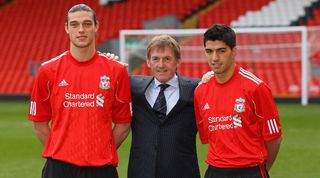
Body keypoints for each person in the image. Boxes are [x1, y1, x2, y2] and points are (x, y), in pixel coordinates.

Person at [28, 4, 131, 178]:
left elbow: (123, 125)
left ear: (96, 26)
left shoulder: (116, 71)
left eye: (87, 24)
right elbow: (39, 124)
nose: (81, 30)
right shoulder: (47, 71)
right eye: (74, 24)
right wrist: (62, 151)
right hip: (59, 168)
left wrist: (101, 150)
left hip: (101, 168)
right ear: (67, 28)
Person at [194, 24, 282, 178]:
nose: (214, 58)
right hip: (214, 171)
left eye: (221, 51)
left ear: (234, 51)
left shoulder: (256, 88)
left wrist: (261, 169)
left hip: (250, 170)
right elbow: (210, 138)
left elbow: (274, 138)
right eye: (209, 51)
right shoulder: (200, 91)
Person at [128, 35, 201, 178]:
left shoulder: (196, 88)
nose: (161, 65)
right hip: (142, 172)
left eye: (167, 59)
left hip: (183, 172)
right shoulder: (133, 86)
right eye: (155, 59)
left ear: (178, 61)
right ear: (148, 62)